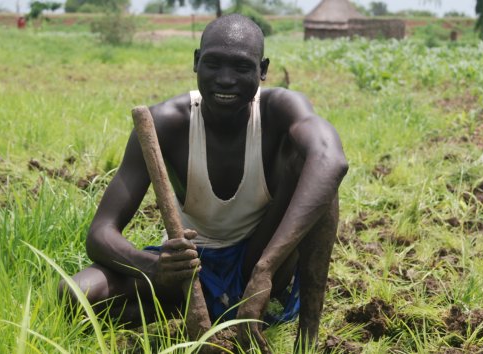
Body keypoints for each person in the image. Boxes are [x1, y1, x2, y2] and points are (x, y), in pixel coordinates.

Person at [58, 14, 348, 352]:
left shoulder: (279, 109)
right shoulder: (165, 123)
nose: (225, 80)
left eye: (241, 67)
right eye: (213, 64)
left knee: (319, 180)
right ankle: (200, 312)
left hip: (259, 255)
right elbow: (101, 233)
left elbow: (332, 159)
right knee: (75, 294)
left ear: (262, 69)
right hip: (189, 268)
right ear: (196, 62)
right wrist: (156, 267)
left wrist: (265, 270)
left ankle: (307, 338)